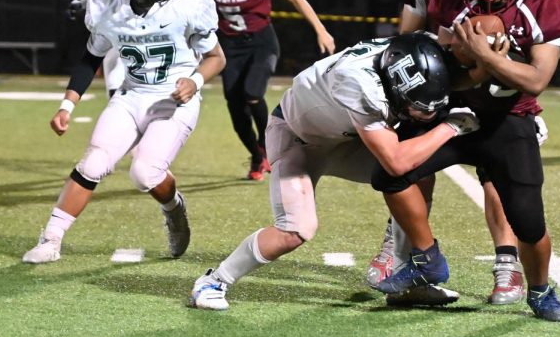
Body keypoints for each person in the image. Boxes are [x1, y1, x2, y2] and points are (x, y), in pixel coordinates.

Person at [373, 0, 560, 322]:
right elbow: (446, 69)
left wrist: (488, 58)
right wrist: (469, 65)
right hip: (456, 113)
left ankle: (539, 290)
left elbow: (536, 80)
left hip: (508, 121)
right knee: (390, 173)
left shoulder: (546, 6)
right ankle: (424, 259)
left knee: (529, 222)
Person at [189, 32, 476, 311]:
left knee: (418, 175)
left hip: (343, 136)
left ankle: (401, 278)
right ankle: (213, 281)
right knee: (295, 230)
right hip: (297, 139)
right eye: (414, 105)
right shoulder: (360, 84)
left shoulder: (414, 51)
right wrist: (451, 126)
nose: (417, 112)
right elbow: (396, 161)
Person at [22, 0, 224, 264]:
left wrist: (195, 80)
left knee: (144, 173)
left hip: (175, 99)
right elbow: (91, 58)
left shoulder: (188, 3)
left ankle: (174, 209)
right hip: (131, 96)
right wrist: (67, 104)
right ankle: (51, 239)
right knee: (93, 163)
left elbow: (217, 57)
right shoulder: (108, 5)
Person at [184, 0, 336, 181]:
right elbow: (181, 3)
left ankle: (268, 147)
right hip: (227, 45)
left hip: (260, 42)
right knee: (234, 104)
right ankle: (256, 155)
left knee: (252, 93)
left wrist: (320, 29)